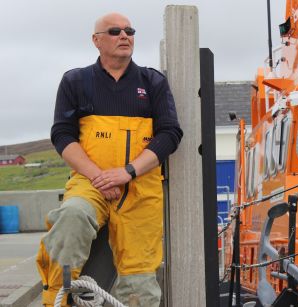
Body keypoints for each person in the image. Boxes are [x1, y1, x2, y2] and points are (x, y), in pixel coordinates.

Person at [36, 12, 183, 307]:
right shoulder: (75, 81)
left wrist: (127, 172)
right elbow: (62, 135)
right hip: (90, 183)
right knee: (72, 217)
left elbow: (170, 134)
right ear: (97, 41)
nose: (124, 36)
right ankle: (57, 299)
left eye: (129, 30)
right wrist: (99, 177)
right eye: (115, 31)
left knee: (140, 283)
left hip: (140, 189)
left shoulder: (153, 82)